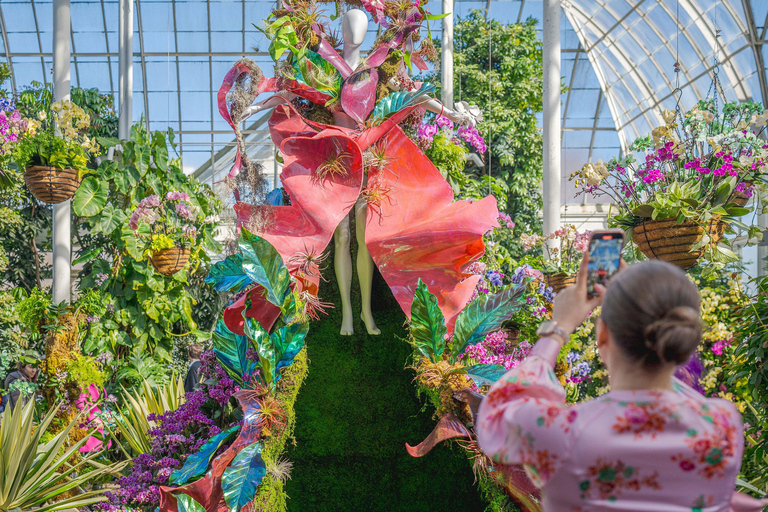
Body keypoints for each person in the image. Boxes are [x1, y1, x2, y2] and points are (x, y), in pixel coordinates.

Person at [476, 256, 767, 512]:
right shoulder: (722, 425)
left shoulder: (565, 433)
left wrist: (558, 328)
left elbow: (499, 411)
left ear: (602, 336)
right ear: (682, 341)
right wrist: (638, 297)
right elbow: (684, 400)